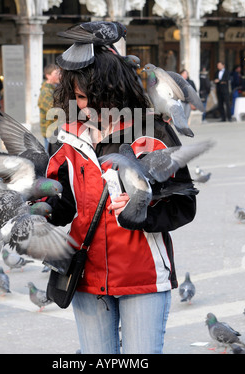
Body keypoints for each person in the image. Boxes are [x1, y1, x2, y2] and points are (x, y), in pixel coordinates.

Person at [44, 45, 196, 354]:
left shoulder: (153, 132)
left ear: (114, 90)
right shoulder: (66, 138)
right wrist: (34, 202)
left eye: (90, 96)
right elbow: (62, 209)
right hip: (85, 274)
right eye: (78, 97)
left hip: (142, 275)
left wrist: (139, 210)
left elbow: (184, 205)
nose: (84, 107)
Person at [37, 64, 61, 150]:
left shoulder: (54, 89)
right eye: (56, 73)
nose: (59, 75)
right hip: (51, 132)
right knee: (51, 160)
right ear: (48, 76)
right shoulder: (46, 92)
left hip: (56, 130)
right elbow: (54, 112)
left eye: (59, 73)